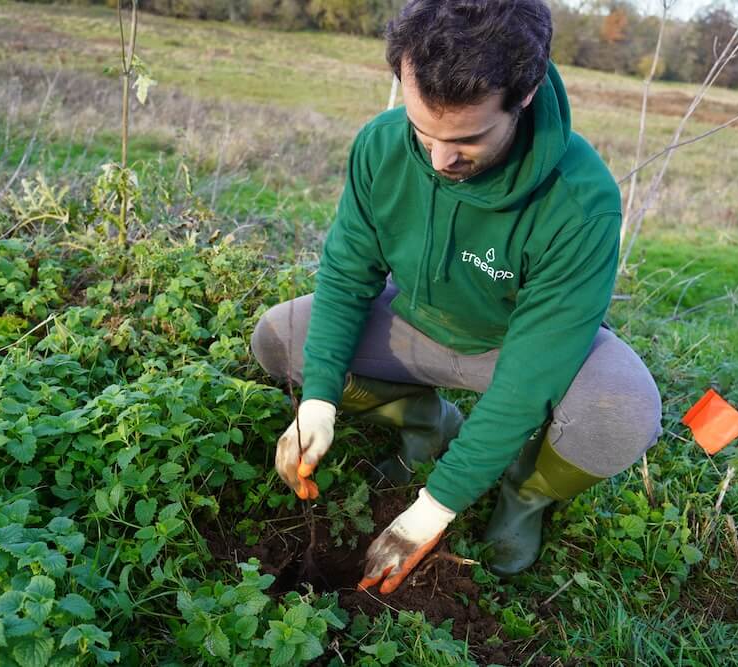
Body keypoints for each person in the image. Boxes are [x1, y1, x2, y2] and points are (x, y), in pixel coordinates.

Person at [251, 0, 662, 594]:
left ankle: (523, 497)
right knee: (278, 338)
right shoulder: (382, 147)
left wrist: (432, 510)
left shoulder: (579, 200)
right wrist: (317, 401)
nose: (441, 159)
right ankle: (427, 422)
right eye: (424, 130)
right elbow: (346, 277)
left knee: (623, 410)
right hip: (413, 321)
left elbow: (528, 376)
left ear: (523, 96)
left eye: (468, 138)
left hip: (517, 348)